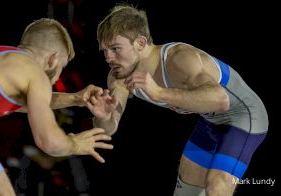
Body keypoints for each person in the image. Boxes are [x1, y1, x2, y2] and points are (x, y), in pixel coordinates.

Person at [88, 4, 269, 196]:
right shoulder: (119, 76)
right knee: (186, 193)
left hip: (244, 115)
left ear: (140, 43)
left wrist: (158, 92)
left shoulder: (177, 58)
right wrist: (105, 118)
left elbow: (221, 100)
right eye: (104, 51)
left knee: (216, 187)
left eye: (115, 48)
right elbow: (109, 128)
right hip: (211, 122)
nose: (108, 58)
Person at [0, 18, 114, 196]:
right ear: (53, 59)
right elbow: (49, 142)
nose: (57, 78)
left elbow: (23, 102)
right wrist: (75, 144)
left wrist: (75, 98)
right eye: (61, 68)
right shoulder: (35, 72)